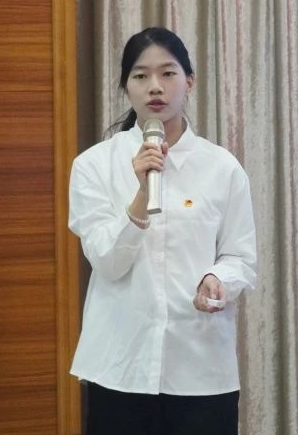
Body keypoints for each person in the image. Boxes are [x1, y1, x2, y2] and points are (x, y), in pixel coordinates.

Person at [68, 27, 257, 435]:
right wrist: (141, 194)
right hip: (120, 367)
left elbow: (240, 256)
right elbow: (107, 262)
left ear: (189, 82)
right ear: (126, 87)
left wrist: (217, 278)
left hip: (201, 370)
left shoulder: (222, 167)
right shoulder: (93, 166)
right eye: (140, 76)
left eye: (168, 73)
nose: (155, 86)